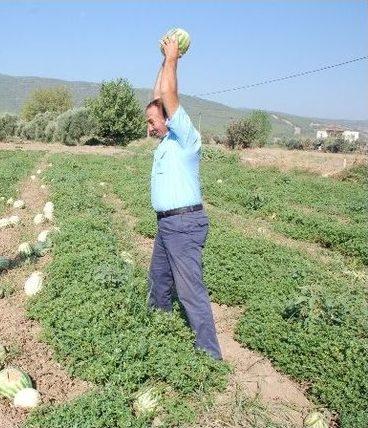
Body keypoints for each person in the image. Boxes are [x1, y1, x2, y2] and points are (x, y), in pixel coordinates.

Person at [145, 36, 222, 359]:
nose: (149, 127)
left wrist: (174, 59)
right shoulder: (165, 143)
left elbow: (168, 96)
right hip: (167, 225)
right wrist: (164, 61)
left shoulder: (186, 137)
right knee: (159, 282)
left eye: (152, 121)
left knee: (190, 290)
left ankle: (209, 353)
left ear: (169, 119)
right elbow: (158, 96)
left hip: (185, 223)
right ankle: (159, 331)